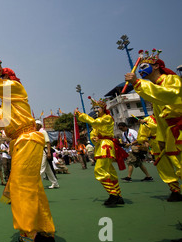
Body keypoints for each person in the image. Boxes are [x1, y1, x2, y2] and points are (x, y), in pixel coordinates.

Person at [0, 59, 57, 242]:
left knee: (22, 187)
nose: (0, 80)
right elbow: (2, 121)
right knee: (33, 188)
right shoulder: (8, 104)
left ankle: (28, 239)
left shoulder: (16, 87)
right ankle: (45, 234)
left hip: (27, 139)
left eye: (1, 77)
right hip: (20, 142)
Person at [124, 49, 182, 199]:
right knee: (164, 163)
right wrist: (161, 140)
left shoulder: (172, 80)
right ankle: (174, 190)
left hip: (180, 129)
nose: (141, 70)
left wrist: (137, 83)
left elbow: (168, 96)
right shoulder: (154, 93)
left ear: (156, 66)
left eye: (144, 67)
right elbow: (161, 120)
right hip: (169, 134)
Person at [75, 96, 128, 206]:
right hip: (101, 145)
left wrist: (81, 115)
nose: (96, 110)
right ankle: (118, 195)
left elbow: (95, 123)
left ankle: (113, 194)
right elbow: (94, 131)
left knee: (99, 170)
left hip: (105, 146)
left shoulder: (107, 118)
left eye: (98, 108)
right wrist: (94, 138)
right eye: (94, 109)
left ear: (103, 108)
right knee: (110, 171)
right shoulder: (99, 121)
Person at [137, 115, 181, 201]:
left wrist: (148, 124)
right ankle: (175, 190)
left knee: (179, 165)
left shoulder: (172, 114)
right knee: (165, 169)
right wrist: (144, 141)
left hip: (174, 143)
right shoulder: (147, 119)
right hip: (157, 146)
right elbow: (142, 135)